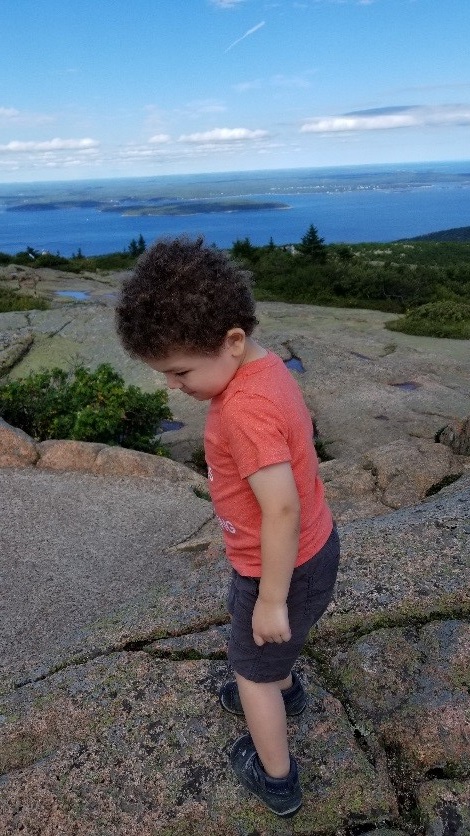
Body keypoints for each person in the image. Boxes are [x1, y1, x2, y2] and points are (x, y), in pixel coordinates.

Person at [115, 236, 340, 818]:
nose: (174, 385)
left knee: (250, 672)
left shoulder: (242, 410)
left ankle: (277, 779)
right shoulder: (267, 371)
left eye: (181, 370)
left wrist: (270, 598)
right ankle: (287, 687)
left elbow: (281, 507)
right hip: (316, 549)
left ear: (232, 341)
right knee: (275, 653)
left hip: (278, 566)